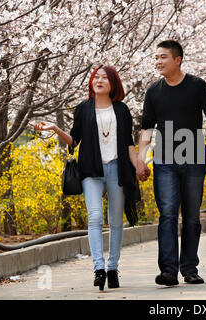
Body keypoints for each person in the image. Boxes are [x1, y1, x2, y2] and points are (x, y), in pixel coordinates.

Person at [34, 65, 140, 291]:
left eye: (104, 78)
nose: (99, 80)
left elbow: (129, 143)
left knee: (116, 221)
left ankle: (113, 268)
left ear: (113, 84)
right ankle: (99, 269)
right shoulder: (83, 108)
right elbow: (74, 141)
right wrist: (55, 129)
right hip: (91, 170)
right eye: (95, 77)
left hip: (117, 169)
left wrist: (138, 164)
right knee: (94, 217)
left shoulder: (121, 110)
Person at [136, 40, 206, 286]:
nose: (158, 61)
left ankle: (189, 268)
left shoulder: (197, 85)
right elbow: (146, 127)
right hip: (164, 160)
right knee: (167, 213)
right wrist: (140, 158)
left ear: (178, 60)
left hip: (194, 157)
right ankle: (168, 271)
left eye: (163, 57)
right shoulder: (154, 91)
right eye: (156, 57)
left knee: (191, 216)